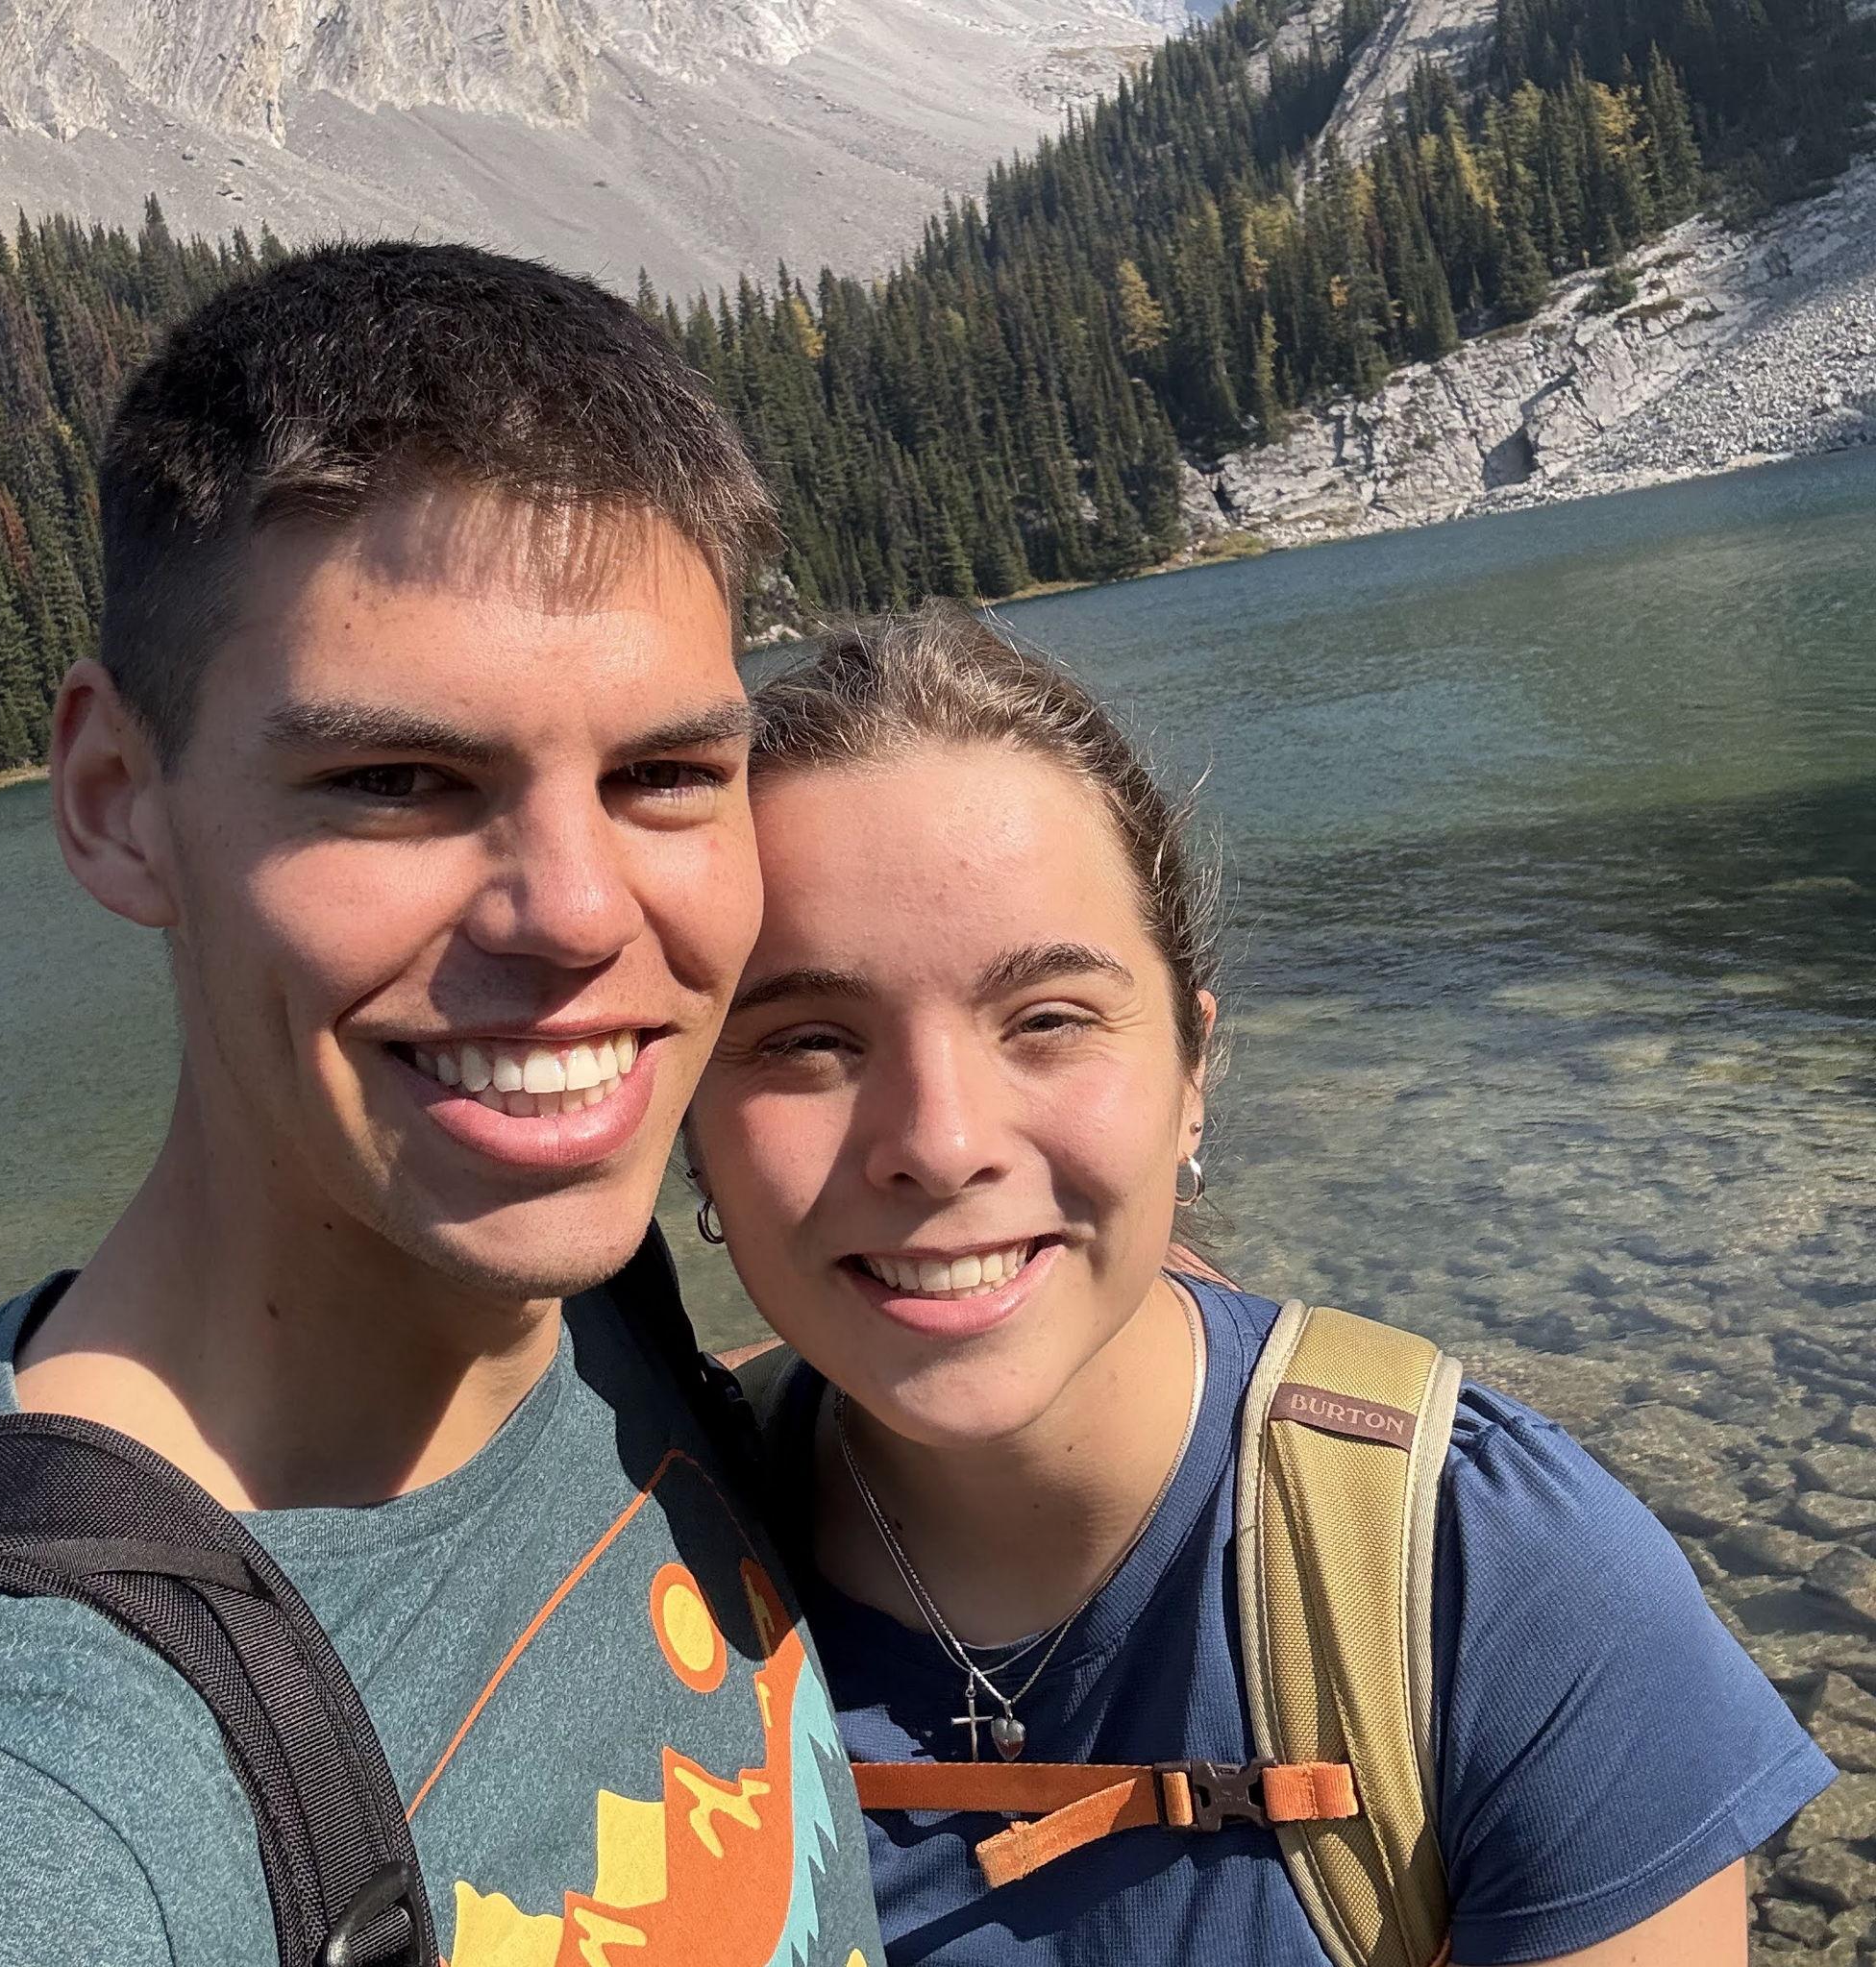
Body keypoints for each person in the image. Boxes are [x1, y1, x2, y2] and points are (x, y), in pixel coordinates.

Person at [0, 244, 885, 1967]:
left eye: (667, 774)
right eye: (395, 782)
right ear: (116, 801)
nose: (580, 914)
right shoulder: (27, 1792)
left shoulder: (598, 1306)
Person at [680, 604, 1834, 1966]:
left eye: (1048, 1020)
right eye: (810, 1042)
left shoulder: (1495, 1586)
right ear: (689, 1118)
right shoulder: (630, 1574)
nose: (938, 1143)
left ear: (1192, 1072)